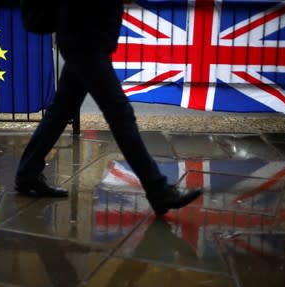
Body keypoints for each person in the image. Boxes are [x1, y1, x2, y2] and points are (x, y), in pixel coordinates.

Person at [15, 0, 202, 215]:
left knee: (60, 112)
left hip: (84, 37)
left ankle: (27, 174)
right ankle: (158, 190)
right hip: (85, 38)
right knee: (120, 115)